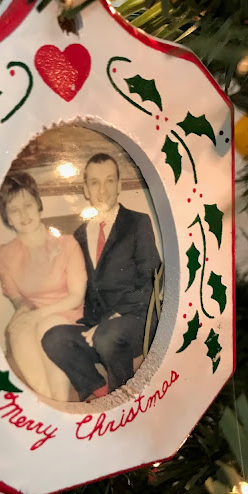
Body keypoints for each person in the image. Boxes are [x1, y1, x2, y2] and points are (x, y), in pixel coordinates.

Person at [41, 153, 161, 401]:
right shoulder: (79, 234)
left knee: (107, 336)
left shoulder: (137, 223)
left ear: (119, 185)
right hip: (97, 326)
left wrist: (108, 321)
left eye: (109, 181)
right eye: (95, 183)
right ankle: (98, 390)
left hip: (135, 322)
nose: (103, 191)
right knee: (53, 338)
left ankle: (122, 398)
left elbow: (152, 281)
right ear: (86, 189)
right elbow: (78, 288)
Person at [0, 171, 87, 400]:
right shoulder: (4, 255)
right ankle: (52, 407)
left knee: (48, 327)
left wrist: (36, 316)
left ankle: (60, 401)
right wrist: (23, 313)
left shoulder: (67, 244)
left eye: (27, 204)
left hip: (69, 316)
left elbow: (76, 296)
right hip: (36, 315)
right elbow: (18, 299)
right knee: (17, 331)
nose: (23, 214)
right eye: (14, 210)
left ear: (37, 204)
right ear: (7, 217)